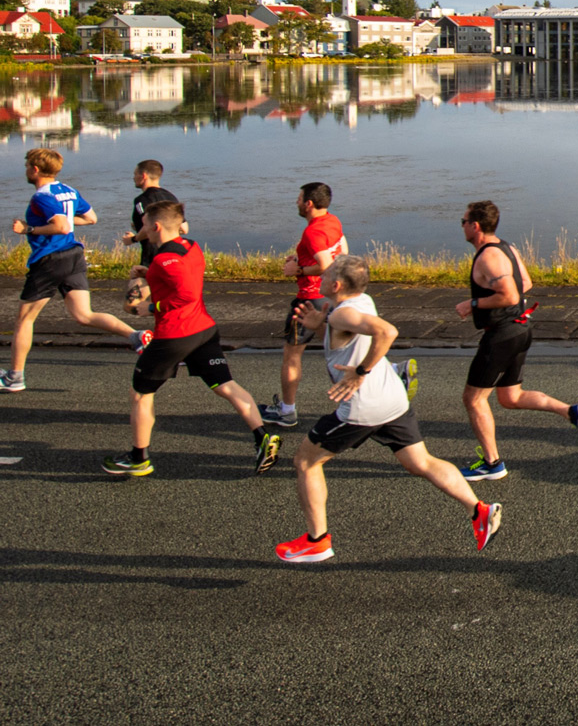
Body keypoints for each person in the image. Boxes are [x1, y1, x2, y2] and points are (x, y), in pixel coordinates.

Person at [276, 254, 501, 562]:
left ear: (336, 284)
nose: (321, 278)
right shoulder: (359, 302)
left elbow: (387, 331)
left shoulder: (343, 314)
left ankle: (318, 540)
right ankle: (479, 510)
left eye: (325, 274)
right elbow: (346, 337)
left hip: (361, 408)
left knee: (305, 462)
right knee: (420, 462)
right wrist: (319, 325)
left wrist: (361, 371)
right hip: (393, 400)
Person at [101, 200, 281, 477]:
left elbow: (184, 294)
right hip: (204, 330)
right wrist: (148, 274)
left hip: (174, 336)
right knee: (225, 385)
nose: (142, 229)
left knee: (140, 393)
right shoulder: (191, 246)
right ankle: (262, 436)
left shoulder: (164, 259)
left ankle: (139, 458)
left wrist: (150, 307)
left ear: (156, 226)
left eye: (145, 225)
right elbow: (180, 278)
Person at [456, 200, 578, 478]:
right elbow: (527, 283)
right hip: (520, 329)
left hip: (502, 335)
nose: (461, 227)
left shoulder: (488, 256)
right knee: (511, 397)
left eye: (463, 222)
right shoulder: (506, 248)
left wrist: (472, 304)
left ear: (475, 226)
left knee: (473, 399)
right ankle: (572, 412)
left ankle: (492, 463)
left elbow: (510, 295)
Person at [7, 147, 143, 393]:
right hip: (74, 257)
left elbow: (60, 227)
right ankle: (136, 337)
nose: (26, 170)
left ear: (35, 169)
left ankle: (14, 377)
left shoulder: (41, 196)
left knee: (24, 319)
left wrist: (28, 230)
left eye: (27, 166)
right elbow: (91, 218)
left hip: (49, 260)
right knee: (84, 315)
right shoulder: (67, 191)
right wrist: (63, 222)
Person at [261, 183, 348, 428]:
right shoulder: (333, 221)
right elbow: (341, 253)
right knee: (337, 350)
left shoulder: (313, 232)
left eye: (299, 198)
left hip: (309, 301)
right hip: (331, 296)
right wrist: (300, 258)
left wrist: (297, 269)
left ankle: (287, 411)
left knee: (292, 356)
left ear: (308, 203)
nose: (296, 202)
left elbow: (324, 264)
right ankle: (354, 404)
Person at [121, 159, 179, 287]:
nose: (133, 178)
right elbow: (184, 227)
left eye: (135, 174)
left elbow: (150, 227)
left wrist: (133, 239)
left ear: (143, 176)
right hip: (173, 253)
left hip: (151, 255)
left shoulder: (141, 200)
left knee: (136, 294)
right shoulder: (171, 197)